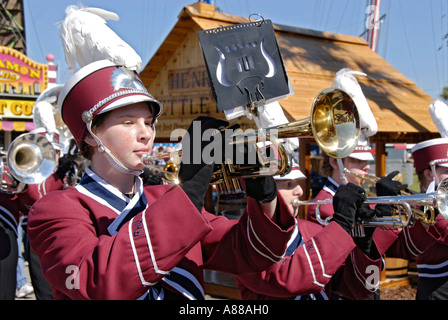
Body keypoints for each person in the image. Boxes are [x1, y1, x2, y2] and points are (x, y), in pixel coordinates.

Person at [27, 60, 297, 300]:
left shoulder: (164, 199)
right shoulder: (56, 210)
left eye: (149, 122)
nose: (145, 133)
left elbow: (253, 253)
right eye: (128, 122)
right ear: (89, 135)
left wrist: (262, 190)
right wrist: (190, 190)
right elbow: (97, 282)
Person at [234, 159, 387, 300]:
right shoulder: (242, 241)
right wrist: (341, 224)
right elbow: (289, 280)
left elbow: (363, 289)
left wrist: (365, 246)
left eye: (297, 183)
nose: (299, 191)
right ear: (262, 191)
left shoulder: (312, 230)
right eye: (288, 184)